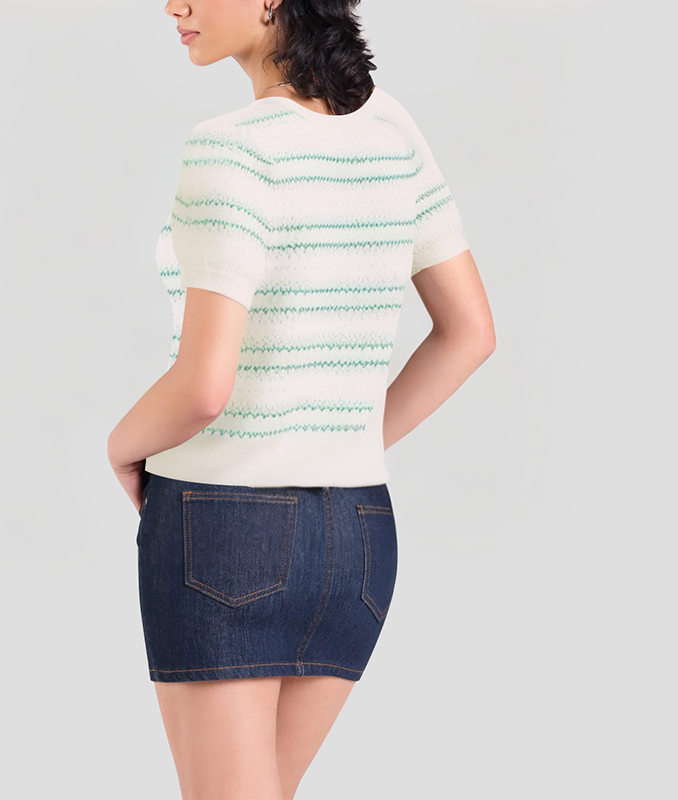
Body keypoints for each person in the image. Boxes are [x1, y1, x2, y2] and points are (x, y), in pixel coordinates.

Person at [107, 1, 495, 797]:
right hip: (358, 538)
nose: (173, 4)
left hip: (225, 531)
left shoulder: (230, 148)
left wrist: (119, 447)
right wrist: (346, 441)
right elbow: (470, 333)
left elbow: (203, 387)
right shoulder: (392, 130)